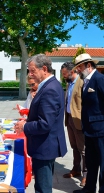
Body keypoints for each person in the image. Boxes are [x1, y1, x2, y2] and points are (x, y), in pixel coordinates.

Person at [14, 54, 67, 193]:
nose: (30, 74)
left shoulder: (49, 89)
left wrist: (25, 126)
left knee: (42, 188)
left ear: (44, 69)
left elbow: (45, 124)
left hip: (45, 146)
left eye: (32, 71)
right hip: (45, 144)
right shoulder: (50, 85)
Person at [72, 53, 104, 193]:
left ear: (89, 66)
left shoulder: (100, 79)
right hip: (90, 129)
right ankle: (89, 188)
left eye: (79, 67)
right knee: (91, 161)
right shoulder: (86, 81)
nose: (77, 70)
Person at [61, 62, 87, 186]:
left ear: (72, 72)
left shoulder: (81, 83)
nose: (63, 76)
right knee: (74, 146)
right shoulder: (69, 83)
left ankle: (86, 174)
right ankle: (76, 169)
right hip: (69, 119)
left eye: (65, 74)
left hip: (79, 120)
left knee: (83, 150)